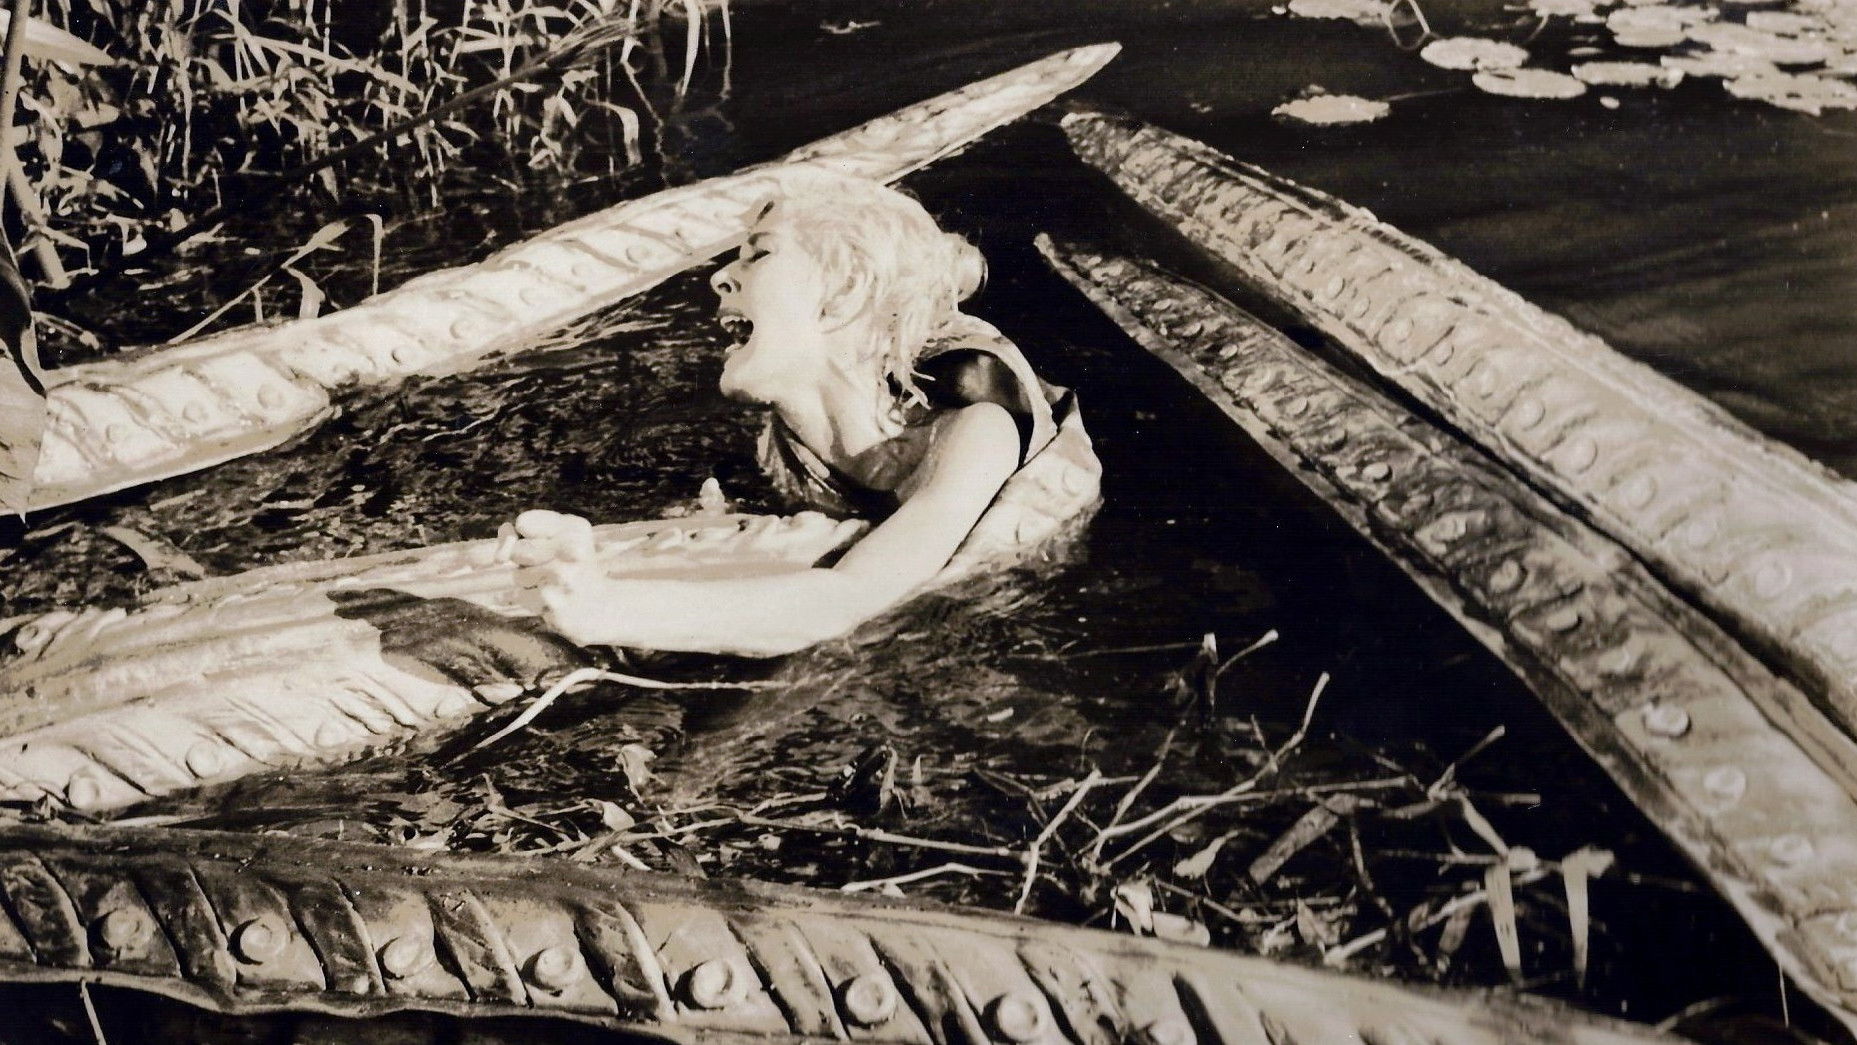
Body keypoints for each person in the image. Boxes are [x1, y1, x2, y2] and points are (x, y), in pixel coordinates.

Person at [502, 168, 1096, 657]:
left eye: (758, 256)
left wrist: (608, 606)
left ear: (845, 292)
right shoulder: (783, 432)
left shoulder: (975, 428)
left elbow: (853, 597)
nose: (719, 277)